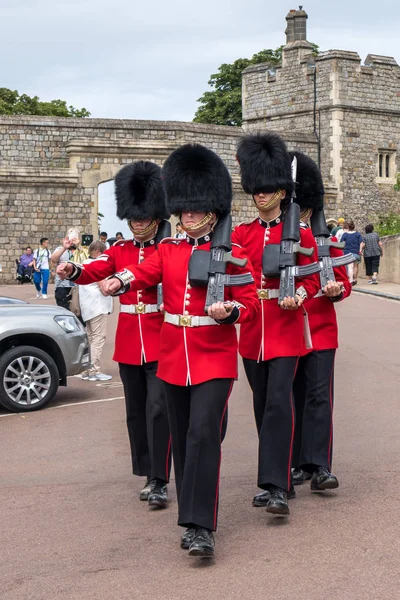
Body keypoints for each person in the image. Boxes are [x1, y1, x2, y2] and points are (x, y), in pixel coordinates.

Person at [59, 144, 259, 559]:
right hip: (173, 360)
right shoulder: (168, 250)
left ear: (211, 209)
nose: (186, 215)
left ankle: (203, 526)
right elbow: (143, 269)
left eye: (194, 208)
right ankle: (189, 516)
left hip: (214, 361)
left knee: (204, 435)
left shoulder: (233, 254)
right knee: (185, 443)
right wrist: (120, 282)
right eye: (182, 209)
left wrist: (230, 312)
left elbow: (251, 302)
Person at [56, 161, 172, 510]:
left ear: (155, 216)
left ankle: (160, 478)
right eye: (133, 218)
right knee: (136, 413)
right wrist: (73, 269)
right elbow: (98, 268)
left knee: (157, 410)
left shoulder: (167, 247)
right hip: (130, 345)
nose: (137, 224)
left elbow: (145, 273)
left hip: (162, 340)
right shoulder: (121, 249)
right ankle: (147, 470)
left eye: (143, 218)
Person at [232, 133, 320, 517]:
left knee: (279, 406)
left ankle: (276, 485)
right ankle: (277, 476)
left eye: (269, 189)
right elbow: (235, 279)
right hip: (253, 333)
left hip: (285, 332)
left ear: (283, 192)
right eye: (257, 190)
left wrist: (299, 296)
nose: (261, 195)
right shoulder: (241, 234)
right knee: (261, 406)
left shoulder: (299, 233)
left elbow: (312, 277)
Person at [287, 151, 352, 492]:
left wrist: (336, 288)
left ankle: (321, 465)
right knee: (293, 398)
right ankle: (298, 463)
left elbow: (345, 283)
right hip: (289, 331)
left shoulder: (327, 245)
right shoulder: (280, 243)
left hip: (322, 331)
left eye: (304, 212)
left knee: (319, 396)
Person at [79, 241, 113, 381]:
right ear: (99, 252)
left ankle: (87, 370)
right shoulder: (97, 266)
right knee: (98, 339)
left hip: (87, 307)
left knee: (91, 338)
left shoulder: (84, 263)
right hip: (97, 306)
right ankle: (94, 370)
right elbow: (104, 288)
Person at [51, 229, 86, 310]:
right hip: (62, 285)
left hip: (79, 286)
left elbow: (86, 261)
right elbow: (53, 260)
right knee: (64, 311)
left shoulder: (82, 250)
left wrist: (78, 247)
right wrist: (64, 248)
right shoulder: (60, 249)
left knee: (79, 312)